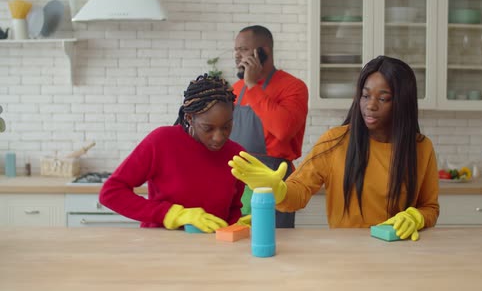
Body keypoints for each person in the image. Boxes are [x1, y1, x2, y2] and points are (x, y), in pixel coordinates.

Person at [230, 56, 439, 240]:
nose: (371, 105)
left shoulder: (421, 148)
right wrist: (277, 189)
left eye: (383, 98)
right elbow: (298, 193)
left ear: (403, 102)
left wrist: (417, 216)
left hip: (400, 252)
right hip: (346, 252)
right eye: (365, 96)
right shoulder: (335, 142)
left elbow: (430, 207)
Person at [99, 74, 247, 232]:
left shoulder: (236, 155)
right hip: (162, 246)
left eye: (226, 127)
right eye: (208, 128)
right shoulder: (161, 142)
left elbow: (233, 209)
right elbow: (111, 192)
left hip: (213, 249)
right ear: (190, 118)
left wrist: (238, 226)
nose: (219, 137)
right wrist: (172, 214)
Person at [230, 25, 309, 228]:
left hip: (272, 178)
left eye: (244, 49)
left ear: (263, 51)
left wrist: (252, 86)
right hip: (237, 177)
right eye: (236, 50)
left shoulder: (293, 87)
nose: (237, 55)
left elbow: (283, 130)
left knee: (276, 241)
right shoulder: (235, 89)